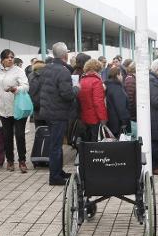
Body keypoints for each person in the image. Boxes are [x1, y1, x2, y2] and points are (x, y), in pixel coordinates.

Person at [39, 42, 78, 185]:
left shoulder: (46, 68)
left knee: (55, 144)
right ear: (65, 55)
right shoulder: (63, 71)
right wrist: (76, 89)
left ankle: (58, 171)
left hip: (48, 111)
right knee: (56, 145)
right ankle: (55, 177)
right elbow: (67, 94)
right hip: (58, 113)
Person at [0, 49, 29, 173]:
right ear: (2, 59)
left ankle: (22, 161)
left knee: (19, 136)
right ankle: (10, 161)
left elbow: (26, 86)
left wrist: (16, 89)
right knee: (7, 136)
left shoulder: (19, 71)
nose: (10, 59)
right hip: (4, 109)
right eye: (7, 57)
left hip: (18, 108)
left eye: (12, 57)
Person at [79, 58, 108, 141]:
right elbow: (98, 102)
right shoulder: (96, 82)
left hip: (84, 117)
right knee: (95, 143)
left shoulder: (82, 80)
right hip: (94, 118)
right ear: (98, 69)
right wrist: (103, 118)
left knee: (86, 141)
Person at [105, 66, 130, 137]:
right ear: (117, 75)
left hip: (111, 121)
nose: (122, 76)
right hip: (117, 123)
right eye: (121, 74)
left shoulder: (108, 85)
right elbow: (120, 106)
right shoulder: (116, 87)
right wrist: (124, 121)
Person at [28, 60, 47, 127]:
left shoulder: (30, 76)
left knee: (39, 130)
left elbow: (29, 92)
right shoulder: (48, 75)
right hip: (48, 108)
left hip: (36, 109)